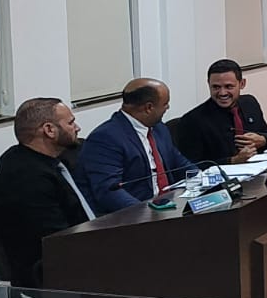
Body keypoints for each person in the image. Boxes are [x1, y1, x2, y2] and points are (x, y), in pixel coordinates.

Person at [0, 98, 95, 292]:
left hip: (79, 251)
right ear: (49, 130)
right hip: (55, 272)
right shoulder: (26, 177)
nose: (77, 128)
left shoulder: (49, 159)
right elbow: (57, 240)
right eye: (71, 123)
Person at [76, 78, 195, 214]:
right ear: (149, 108)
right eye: (165, 104)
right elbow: (109, 191)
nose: (167, 108)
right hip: (137, 214)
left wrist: (202, 179)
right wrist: (149, 213)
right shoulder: (105, 138)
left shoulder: (159, 128)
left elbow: (178, 161)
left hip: (170, 205)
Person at [173, 59, 267, 165]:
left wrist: (263, 140)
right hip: (222, 174)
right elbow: (191, 166)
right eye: (216, 87)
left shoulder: (249, 103)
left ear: (242, 84)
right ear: (208, 84)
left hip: (260, 168)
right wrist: (233, 161)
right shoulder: (192, 121)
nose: (222, 93)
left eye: (229, 86)